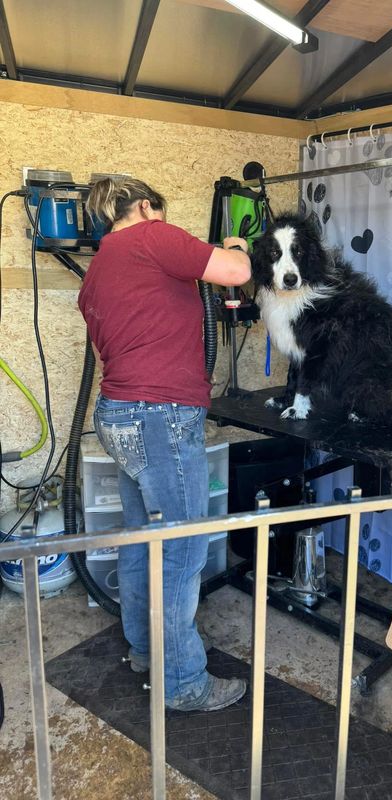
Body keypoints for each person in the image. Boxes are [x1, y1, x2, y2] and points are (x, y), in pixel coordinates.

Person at [78, 177, 251, 711]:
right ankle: (183, 682)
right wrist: (238, 245)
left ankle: (146, 650)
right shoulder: (153, 236)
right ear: (145, 206)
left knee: (141, 539)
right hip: (161, 417)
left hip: (119, 414)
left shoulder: (99, 268)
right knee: (182, 549)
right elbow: (236, 272)